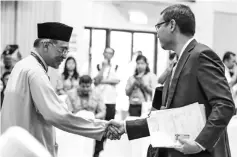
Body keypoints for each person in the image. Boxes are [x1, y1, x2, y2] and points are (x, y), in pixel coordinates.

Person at [107, 4, 235, 157]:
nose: (157, 32)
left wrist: (199, 143)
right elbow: (167, 117)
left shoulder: (201, 55)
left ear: (172, 25)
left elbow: (225, 104)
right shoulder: (177, 62)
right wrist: (126, 127)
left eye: (158, 26)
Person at [0, 22, 117, 157]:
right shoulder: (35, 72)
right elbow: (57, 115)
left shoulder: (22, 66)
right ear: (46, 45)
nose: (65, 55)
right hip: (29, 150)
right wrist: (102, 127)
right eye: (62, 49)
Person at [93, 47, 120, 157]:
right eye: (106, 52)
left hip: (111, 100)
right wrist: (103, 68)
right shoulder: (98, 65)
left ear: (113, 55)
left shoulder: (116, 67)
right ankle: (97, 149)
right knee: (98, 125)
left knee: (108, 125)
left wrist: (102, 81)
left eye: (110, 53)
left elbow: (117, 80)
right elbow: (95, 80)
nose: (108, 55)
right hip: (99, 100)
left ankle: (102, 147)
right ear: (103, 53)